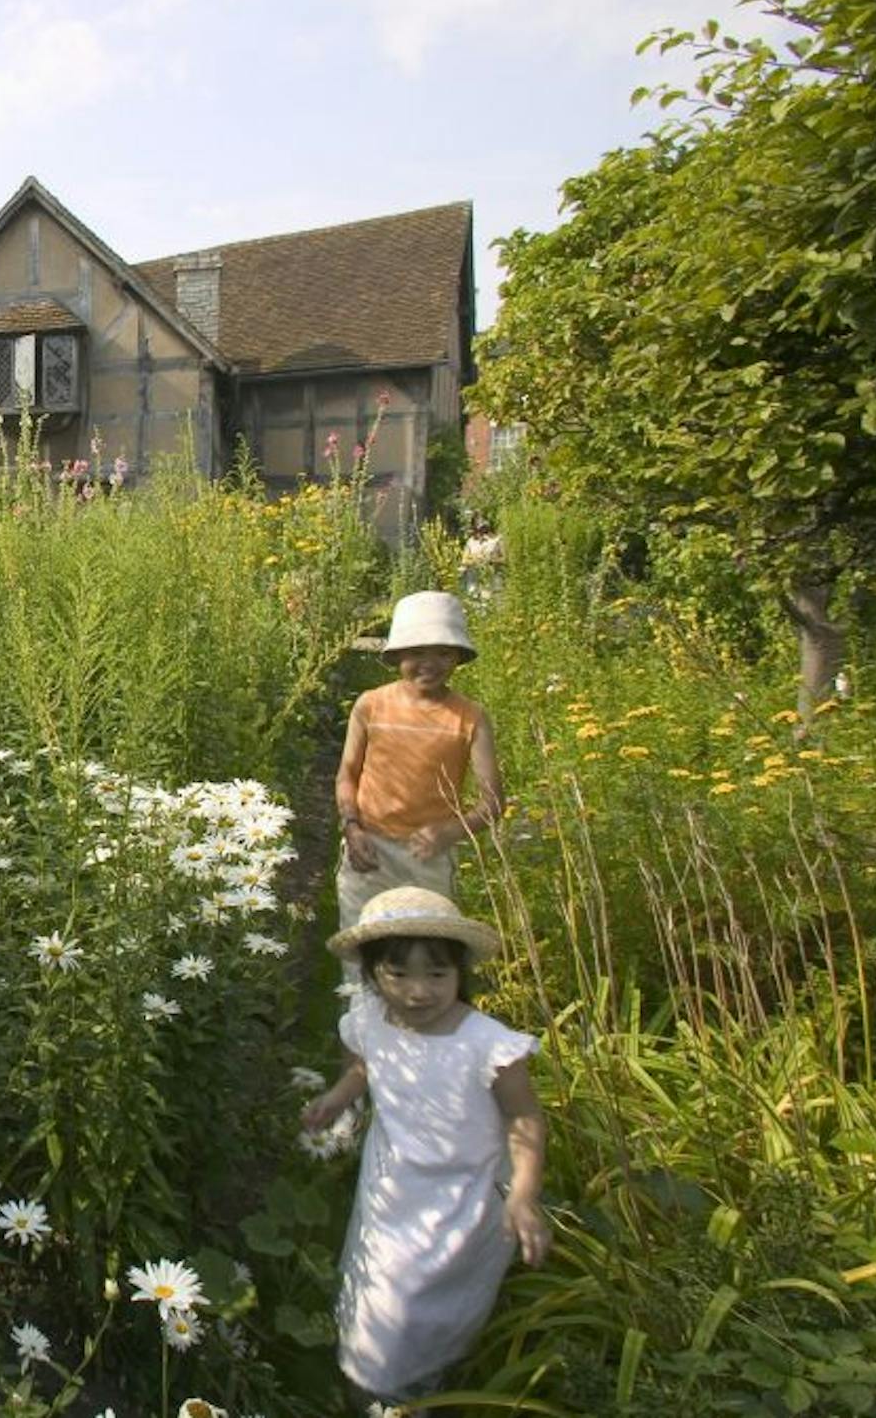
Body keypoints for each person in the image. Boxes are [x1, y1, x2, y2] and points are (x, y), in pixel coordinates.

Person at [302, 886, 550, 1406]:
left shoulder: (487, 1044)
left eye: (436, 974)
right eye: (399, 974)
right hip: (390, 1190)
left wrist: (523, 1192)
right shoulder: (368, 1022)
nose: (419, 991)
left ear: (461, 973)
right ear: (372, 974)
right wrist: (338, 1096)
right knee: (379, 1292)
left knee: (429, 1305)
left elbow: (523, 1115)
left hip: (463, 1199)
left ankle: (419, 1387)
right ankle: (374, 1390)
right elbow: (365, 1066)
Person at [334, 590, 502, 931]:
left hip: (428, 854)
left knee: (425, 944)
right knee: (362, 942)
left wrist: (449, 833)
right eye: (417, 652)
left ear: (458, 656)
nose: (430, 663)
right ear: (397, 656)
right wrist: (352, 828)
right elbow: (347, 776)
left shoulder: (470, 717)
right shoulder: (371, 705)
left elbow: (493, 801)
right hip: (368, 846)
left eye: (443, 652)